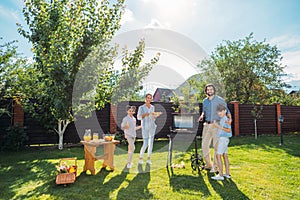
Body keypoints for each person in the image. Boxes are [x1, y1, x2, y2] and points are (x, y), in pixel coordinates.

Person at [198, 83, 232, 173]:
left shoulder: (220, 100)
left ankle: (215, 167)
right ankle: (208, 164)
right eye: (208, 89)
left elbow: (227, 110)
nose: (210, 91)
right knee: (204, 145)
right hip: (206, 125)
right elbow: (204, 111)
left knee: (216, 146)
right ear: (206, 91)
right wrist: (202, 116)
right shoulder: (205, 101)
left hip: (216, 125)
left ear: (214, 90)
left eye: (211, 89)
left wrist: (230, 118)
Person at [137, 93, 161, 165]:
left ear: (151, 99)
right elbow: (138, 117)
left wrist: (156, 116)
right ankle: (140, 158)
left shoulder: (152, 107)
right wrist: (145, 115)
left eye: (150, 98)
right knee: (145, 143)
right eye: (148, 98)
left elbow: (152, 117)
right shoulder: (141, 107)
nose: (149, 99)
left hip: (152, 126)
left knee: (151, 143)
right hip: (144, 127)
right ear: (145, 98)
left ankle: (148, 159)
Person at [211, 104, 232, 180]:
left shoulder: (226, 119)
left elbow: (228, 130)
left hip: (223, 139)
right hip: (224, 139)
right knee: (225, 156)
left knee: (218, 155)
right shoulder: (223, 119)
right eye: (218, 112)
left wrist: (217, 126)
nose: (219, 113)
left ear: (225, 111)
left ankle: (220, 175)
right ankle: (227, 174)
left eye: (221, 111)